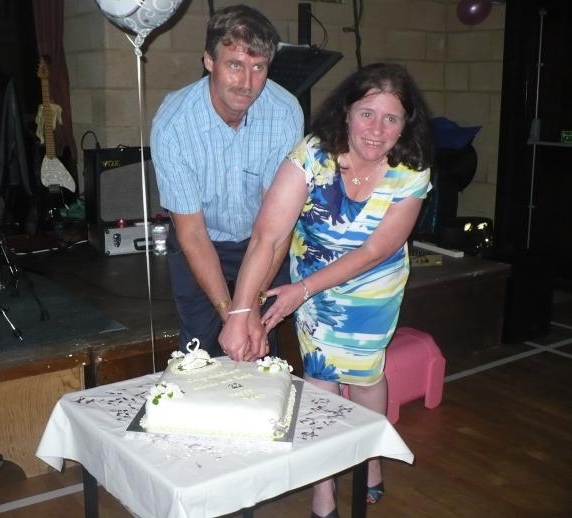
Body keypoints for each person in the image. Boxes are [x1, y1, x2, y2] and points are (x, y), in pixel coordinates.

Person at [219, 63, 433, 518]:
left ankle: (369, 452)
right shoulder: (313, 154)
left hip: (372, 289)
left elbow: (376, 249)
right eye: (366, 113)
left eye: (391, 118)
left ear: (405, 125)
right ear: (346, 112)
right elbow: (268, 236)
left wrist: (300, 290)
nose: (376, 130)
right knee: (319, 376)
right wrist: (241, 311)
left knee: (364, 374)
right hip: (311, 280)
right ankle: (324, 486)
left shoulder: (410, 171)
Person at [150, 4, 304, 359]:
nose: (247, 83)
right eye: (235, 64)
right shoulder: (173, 125)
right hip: (203, 238)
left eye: (258, 67)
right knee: (200, 347)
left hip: (262, 239)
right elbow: (192, 234)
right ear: (209, 61)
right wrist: (231, 313)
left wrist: (249, 310)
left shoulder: (284, 113)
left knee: (262, 342)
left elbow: (275, 229)